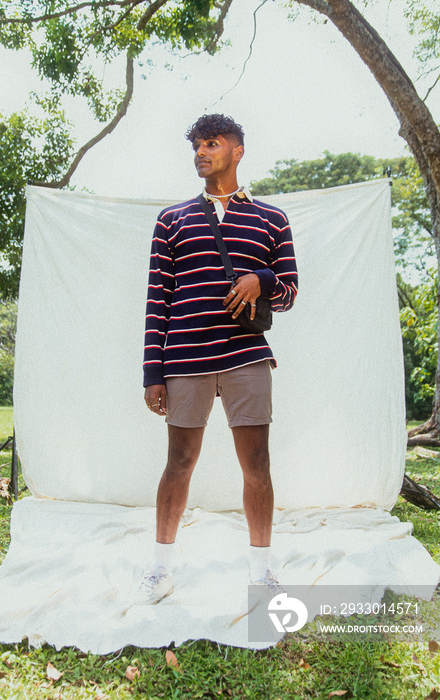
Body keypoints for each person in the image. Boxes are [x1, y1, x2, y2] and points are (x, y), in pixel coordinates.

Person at [138, 114, 298, 604]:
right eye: (197, 146)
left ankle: (261, 573)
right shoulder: (172, 219)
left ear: (237, 151)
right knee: (179, 462)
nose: (201, 153)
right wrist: (153, 372)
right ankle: (161, 568)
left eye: (212, 143)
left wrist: (261, 280)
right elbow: (157, 299)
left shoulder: (272, 220)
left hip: (247, 356)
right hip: (185, 356)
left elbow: (289, 292)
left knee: (257, 466)